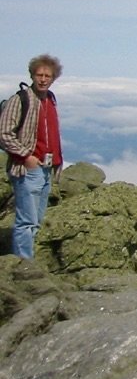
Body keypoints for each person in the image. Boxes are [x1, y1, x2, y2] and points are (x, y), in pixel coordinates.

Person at [1, 54, 65, 259]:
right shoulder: (20, 100)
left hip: (46, 169)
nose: (43, 79)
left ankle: (25, 262)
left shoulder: (50, 99)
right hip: (28, 168)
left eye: (48, 75)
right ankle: (23, 267)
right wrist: (26, 156)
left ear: (54, 78)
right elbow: (3, 134)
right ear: (32, 75)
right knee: (26, 222)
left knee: (35, 221)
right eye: (40, 75)